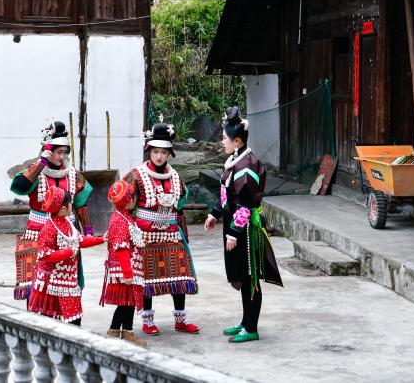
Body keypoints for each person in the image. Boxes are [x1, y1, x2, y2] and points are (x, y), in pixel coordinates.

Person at [204, 107, 283, 343]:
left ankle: (251, 327)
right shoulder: (235, 160)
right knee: (244, 275)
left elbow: (244, 205)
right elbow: (228, 196)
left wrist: (233, 233)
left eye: (224, 138)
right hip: (235, 226)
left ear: (237, 141)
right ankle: (245, 321)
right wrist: (214, 214)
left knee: (250, 278)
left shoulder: (247, 166)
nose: (222, 141)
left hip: (245, 230)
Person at [124, 123, 200, 335]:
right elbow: (123, 200)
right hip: (145, 234)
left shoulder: (175, 176)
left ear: (169, 153)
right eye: (155, 151)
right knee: (148, 277)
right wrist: (129, 231)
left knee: (179, 274)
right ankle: (148, 320)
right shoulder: (136, 175)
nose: (159, 156)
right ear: (149, 151)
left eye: (163, 152)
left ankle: (180, 319)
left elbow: (181, 202)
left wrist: (182, 231)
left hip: (171, 232)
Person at [10, 121, 94, 305]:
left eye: (64, 152)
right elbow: (20, 187)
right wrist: (42, 162)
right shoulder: (35, 171)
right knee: (37, 279)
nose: (61, 156)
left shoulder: (73, 174)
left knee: (65, 277)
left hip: (67, 232)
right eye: (58, 152)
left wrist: (87, 229)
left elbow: (81, 203)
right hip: (39, 231)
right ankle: (35, 319)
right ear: (48, 150)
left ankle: (64, 317)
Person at [28, 187, 104, 324]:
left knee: (74, 319)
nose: (72, 205)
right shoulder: (49, 228)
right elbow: (45, 255)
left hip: (68, 280)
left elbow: (80, 240)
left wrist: (102, 239)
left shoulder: (67, 222)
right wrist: (69, 252)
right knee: (51, 321)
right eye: (70, 203)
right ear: (63, 209)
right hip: (51, 282)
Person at [100, 179, 148, 345]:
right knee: (125, 303)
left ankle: (127, 331)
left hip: (129, 266)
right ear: (128, 200)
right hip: (124, 269)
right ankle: (115, 330)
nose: (134, 200)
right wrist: (127, 273)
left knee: (130, 301)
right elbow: (121, 248)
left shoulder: (125, 217)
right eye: (133, 197)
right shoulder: (119, 220)